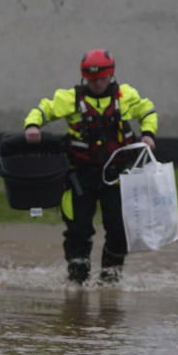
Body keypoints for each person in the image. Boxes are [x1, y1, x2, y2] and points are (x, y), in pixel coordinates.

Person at [23, 49, 158, 285]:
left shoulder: (126, 96)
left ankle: (110, 280)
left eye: (101, 79)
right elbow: (44, 108)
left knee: (118, 228)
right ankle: (77, 279)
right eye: (92, 79)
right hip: (80, 175)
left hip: (116, 176)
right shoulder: (70, 98)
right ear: (85, 77)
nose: (96, 83)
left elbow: (148, 111)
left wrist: (148, 134)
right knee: (78, 228)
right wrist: (33, 125)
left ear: (110, 75)